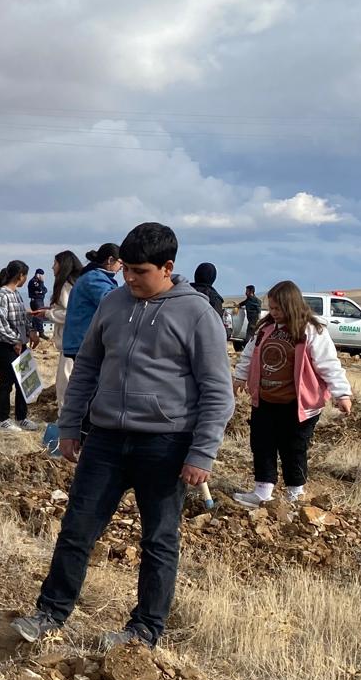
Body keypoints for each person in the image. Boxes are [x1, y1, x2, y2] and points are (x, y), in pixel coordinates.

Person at [14, 222, 233, 650]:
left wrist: (202, 452)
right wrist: (72, 426)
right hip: (106, 440)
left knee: (158, 540)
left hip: (166, 445)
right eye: (126, 269)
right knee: (77, 528)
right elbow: (87, 368)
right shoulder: (113, 303)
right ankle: (49, 613)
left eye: (139, 271)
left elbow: (217, 391)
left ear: (167, 267)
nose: (129, 278)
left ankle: (144, 631)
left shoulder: (197, 314)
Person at [231, 281, 353, 506]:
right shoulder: (265, 329)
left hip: (298, 404)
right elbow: (249, 354)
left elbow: (329, 364)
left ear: (291, 306)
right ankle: (262, 492)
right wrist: (240, 377)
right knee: (262, 443)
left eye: (278, 308)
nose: (273, 313)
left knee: (293, 447)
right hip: (266, 399)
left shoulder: (311, 330)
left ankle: (295, 494)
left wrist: (342, 394)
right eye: (271, 308)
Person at [0, 260, 39, 431]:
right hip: (5, 345)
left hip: (20, 344)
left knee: (23, 382)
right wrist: (15, 340)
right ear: (20, 276)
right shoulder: (1, 295)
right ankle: (3, 418)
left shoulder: (16, 294)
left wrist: (31, 331)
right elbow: (0, 322)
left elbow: (22, 317)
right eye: (25, 275)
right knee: (6, 382)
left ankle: (21, 416)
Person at [62, 243, 122, 363]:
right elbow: (112, 302)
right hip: (85, 342)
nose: (122, 268)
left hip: (80, 341)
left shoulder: (91, 276)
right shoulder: (94, 278)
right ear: (110, 260)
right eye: (121, 263)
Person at [45, 250, 83, 414]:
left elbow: (71, 313)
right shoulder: (77, 283)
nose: (52, 267)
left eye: (55, 263)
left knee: (65, 384)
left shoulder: (67, 286)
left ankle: (66, 421)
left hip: (70, 343)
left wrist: (48, 313)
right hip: (74, 342)